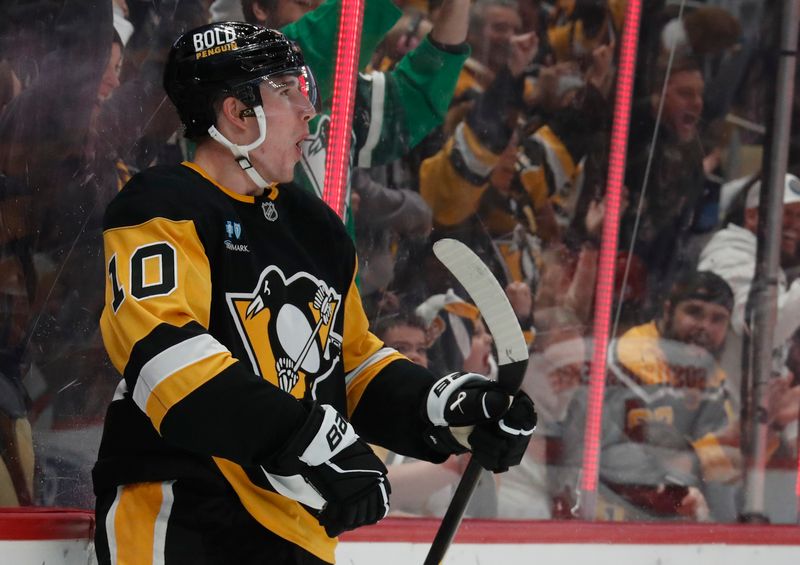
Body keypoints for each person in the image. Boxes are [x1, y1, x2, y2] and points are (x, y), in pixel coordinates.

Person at [92, 23, 536, 565]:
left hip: (299, 534)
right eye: (287, 90)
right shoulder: (163, 205)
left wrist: (445, 409)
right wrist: (311, 439)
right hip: (182, 517)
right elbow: (166, 361)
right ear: (236, 111)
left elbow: (349, 366)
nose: (308, 109)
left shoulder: (315, 227)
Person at [558, 271, 740, 522]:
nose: (704, 327)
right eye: (694, 312)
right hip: (605, 519)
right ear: (668, 311)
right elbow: (583, 459)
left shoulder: (716, 385)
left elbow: (721, 475)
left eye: (717, 319)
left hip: (670, 520)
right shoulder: (618, 365)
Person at [698, 174, 800, 413]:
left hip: (747, 421)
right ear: (752, 215)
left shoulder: (768, 265)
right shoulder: (728, 256)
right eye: (786, 213)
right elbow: (765, 331)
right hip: (712, 422)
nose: (795, 224)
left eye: (799, 216)